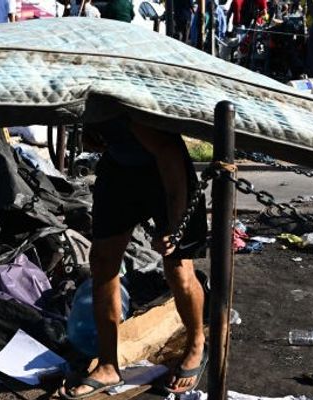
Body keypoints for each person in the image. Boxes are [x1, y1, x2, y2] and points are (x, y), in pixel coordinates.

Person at [58, 117, 208, 399]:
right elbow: (97, 137)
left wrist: (176, 227)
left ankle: (197, 342)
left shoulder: (122, 98)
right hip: (120, 170)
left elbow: (169, 152)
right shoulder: (80, 92)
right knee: (103, 262)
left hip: (165, 170)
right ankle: (107, 364)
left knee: (177, 267)